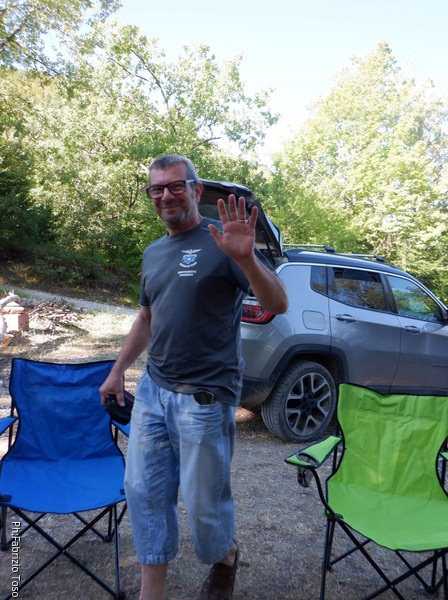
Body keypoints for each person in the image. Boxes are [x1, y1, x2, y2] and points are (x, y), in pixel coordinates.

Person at [99, 154, 289, 600]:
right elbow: (146, 318)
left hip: (204, 398)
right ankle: (152, 591)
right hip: (154, 391)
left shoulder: (224, 240)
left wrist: (247, 259)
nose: (165, 195)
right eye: (156, 188)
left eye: (175, 186)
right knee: (144, 492)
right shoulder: (153, 252)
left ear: (196, 190)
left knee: (204, 506)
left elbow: (278, 303)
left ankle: (226, 556)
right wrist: (117, 371)